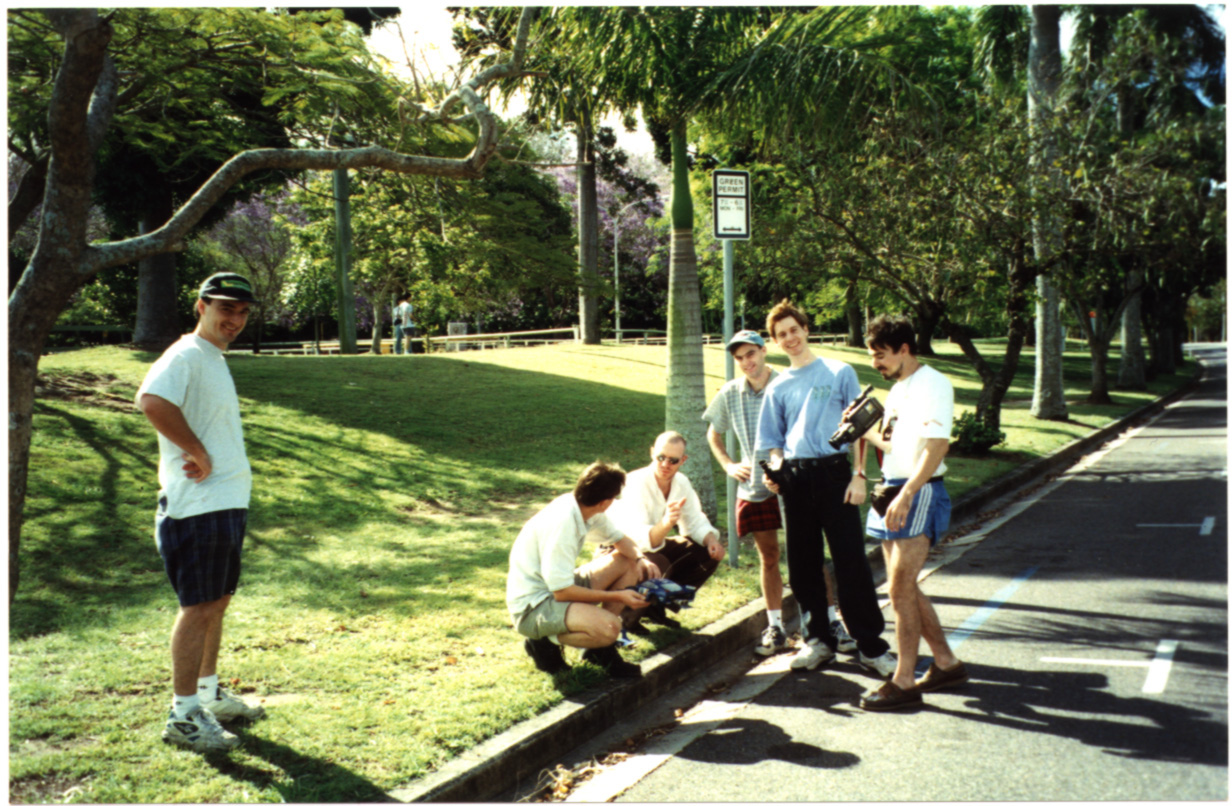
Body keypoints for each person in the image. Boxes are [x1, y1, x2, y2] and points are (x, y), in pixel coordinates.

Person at [136, 272, 267, 753]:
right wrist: (196, 450)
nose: (234, 319)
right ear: (201, 306)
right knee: (198, 608)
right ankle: (184, 715)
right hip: (197, 507)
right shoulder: (186, 354)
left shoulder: (212, 357)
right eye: (225, 309)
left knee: (217, 602)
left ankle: (208, 695)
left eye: (242, 312)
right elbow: (151, 401)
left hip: (225, 502)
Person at [755, 300, 895, 677]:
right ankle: (818, 642)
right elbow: (774, 441)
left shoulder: (839, 372)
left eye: (794, 329)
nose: (790, 338)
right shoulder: (777, 386)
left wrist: (859, 475)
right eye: (781, 334)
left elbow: (862, 425)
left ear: (806, 328)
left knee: (850, 561)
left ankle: (871, 646)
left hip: (836, 475)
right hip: (796, 480)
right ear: (775, 341)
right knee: (803, 566)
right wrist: (777, 470)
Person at [703, 330, 857, 658]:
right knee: (769, 557)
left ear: (763, 351)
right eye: (740, 357)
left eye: (751, 354)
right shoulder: (730, 392)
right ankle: (775, 626)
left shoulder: (786, 382)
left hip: (797, 483)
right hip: (756, 488)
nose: (747, 362)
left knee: (811, 557)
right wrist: (729, 465)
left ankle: (829, 621)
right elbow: (713, 432)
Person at [855, 315, 966, 711]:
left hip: (918, 492)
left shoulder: (933, 384)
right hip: (892, 490)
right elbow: (891, 443)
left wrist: (908, 494)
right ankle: (947, 663)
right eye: (872, 356)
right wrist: (857, 425)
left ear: (904, 349)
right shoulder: (900, 389)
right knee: (906, 587)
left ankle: (903, 680)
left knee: (899, 588)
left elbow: (937, 446)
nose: (875, 364)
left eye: (881, 355)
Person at [506, 461, 657, 679]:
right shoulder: (563, 524)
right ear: (606, 502)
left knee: (628, 561)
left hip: (555, 588)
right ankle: (542, 641)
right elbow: (562, 592)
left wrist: (642, 559)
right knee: (611, 628)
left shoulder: (582, 507)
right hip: (534, 607)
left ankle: (597, 649)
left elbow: (620, 539)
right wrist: (618, 596)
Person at [608, 432, 726, 630]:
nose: (665, 464)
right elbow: (637, 539)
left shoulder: (681, 482)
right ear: (652, 452)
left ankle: (655, 606)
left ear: (683, 460)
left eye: (673, 460)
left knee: (706, 554)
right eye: (661, 457)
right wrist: (665, 523)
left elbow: (694, 520)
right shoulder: (635, 482)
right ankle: (627, 618)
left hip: (651, 545)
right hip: (621, 549)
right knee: (657, 563)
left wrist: (712, 540)